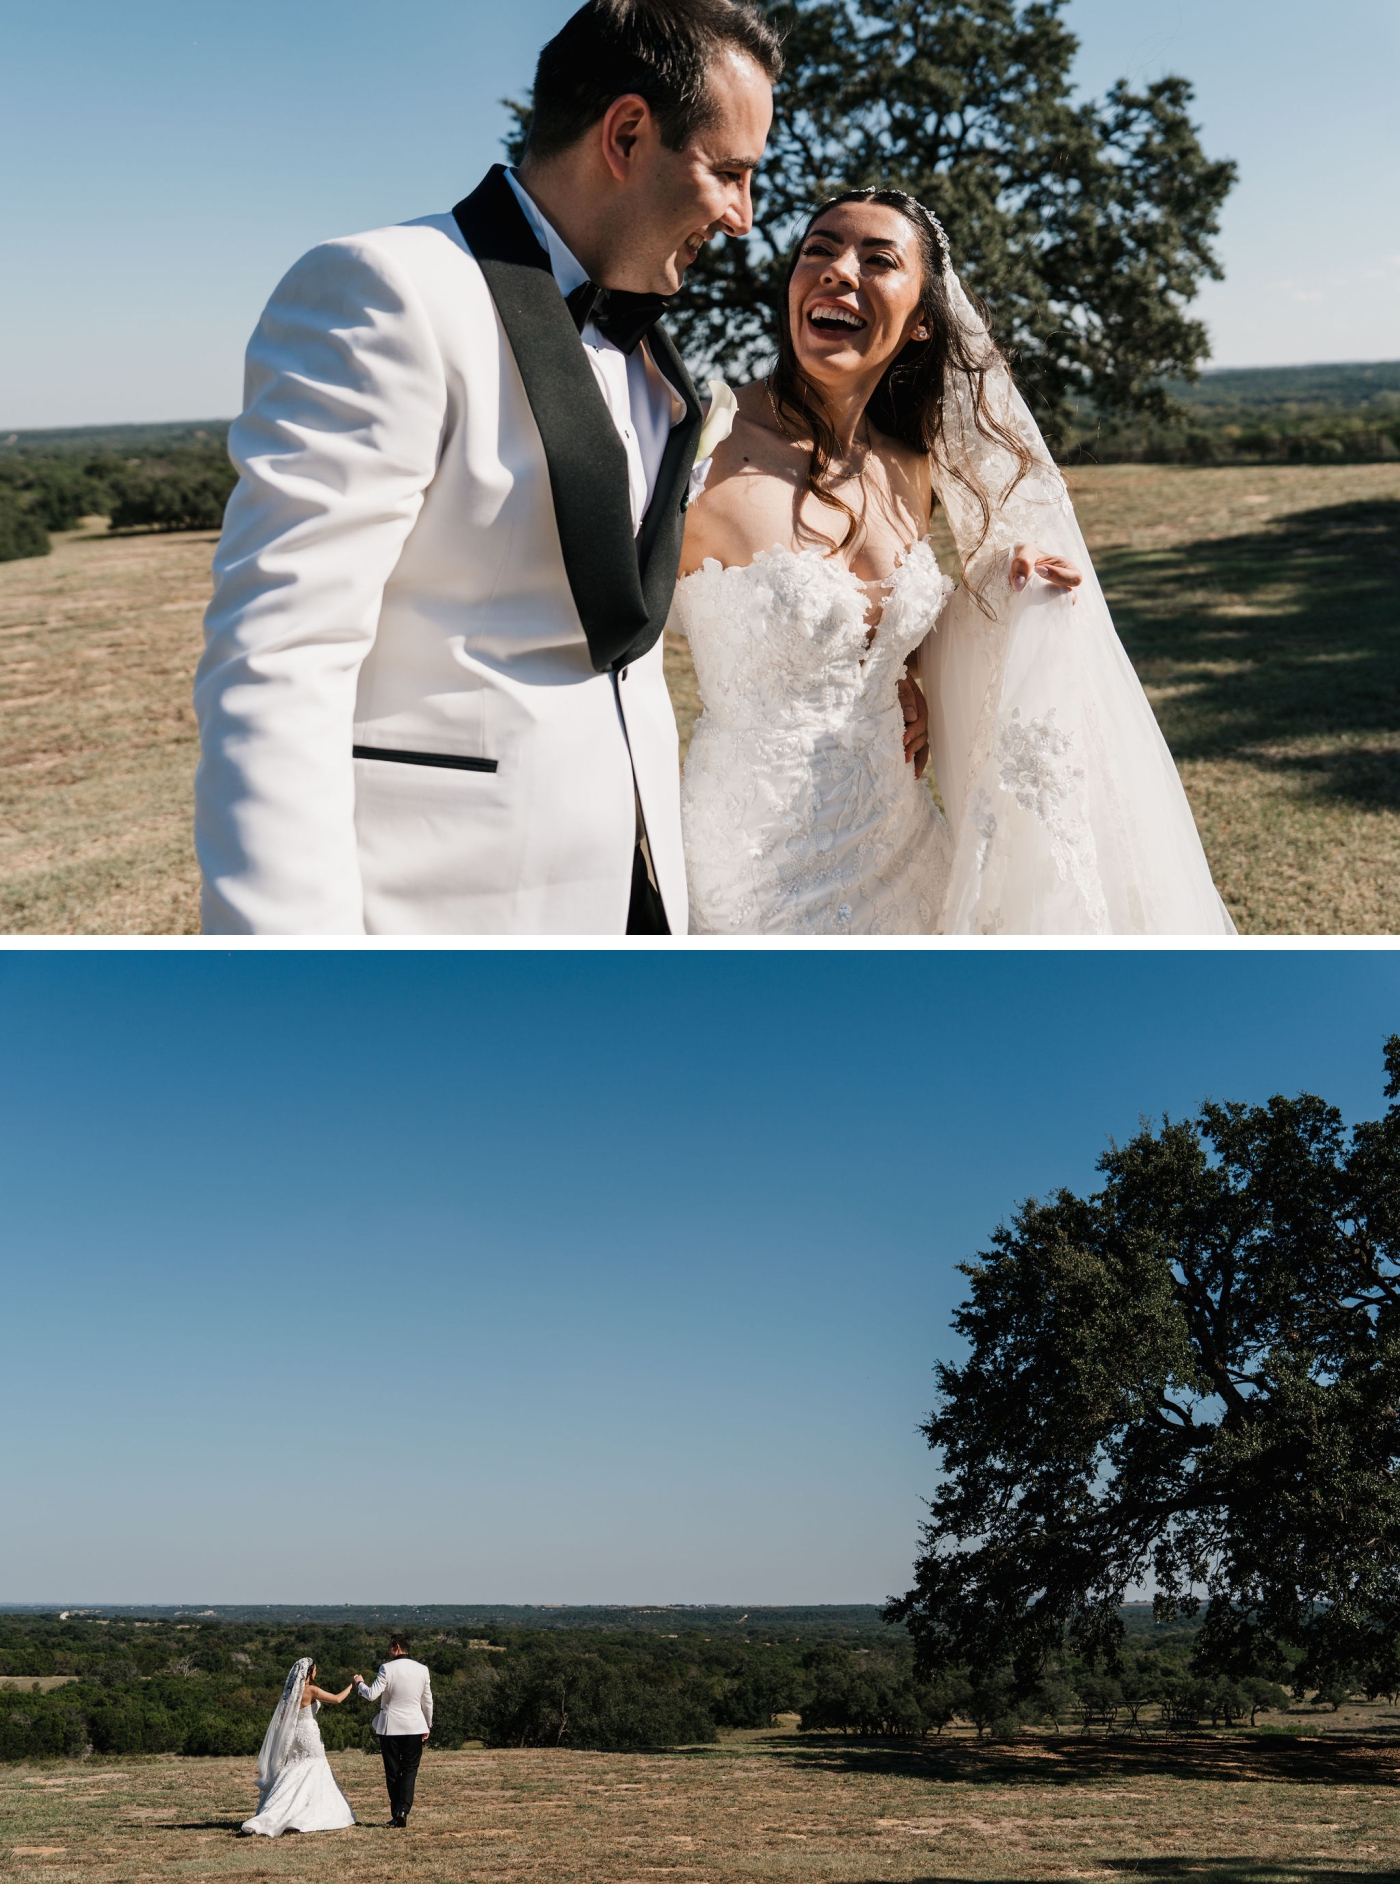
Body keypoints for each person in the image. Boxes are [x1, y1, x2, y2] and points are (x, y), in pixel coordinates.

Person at [194, 0, 780, 935]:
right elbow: (277, 661)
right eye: (731, 172)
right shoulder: (387, 291)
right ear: (626, 133)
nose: (745, 218)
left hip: (639, 897)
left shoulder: (655, 355)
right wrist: (290, 980)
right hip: (449, 917)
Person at [673, 190, 1237, 934]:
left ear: (922, 321)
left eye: (878, 261)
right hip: (751, 863)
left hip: (904, 844)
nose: (840, 271)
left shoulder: (913, 468)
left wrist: (1006, 589)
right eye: (820, 249)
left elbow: (886, 647)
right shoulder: (698, 440)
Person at [240, 1657, 356, 1837]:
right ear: (309, 1672)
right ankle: (309, 1811)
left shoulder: (291, 1694)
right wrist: (352, 1686)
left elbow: (282, 1719)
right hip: (309, 1733)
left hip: (295, 1735)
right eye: (315, 1669)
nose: (316, 1672)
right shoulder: (311, 1690)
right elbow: (337, 1699)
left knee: (295, 1767)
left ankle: (277, 1808)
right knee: (315, 1766)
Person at [353, 1632, 433, 1829]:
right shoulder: (423, 1669)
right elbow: (427, 1701)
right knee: (410, 1770)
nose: (388, 1651)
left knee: (393, 1771)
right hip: (415, 1726)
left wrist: (359, 1683)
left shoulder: (386, 1669)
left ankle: (398, 1811)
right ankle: (402, 1810)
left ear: (396, 1647)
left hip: (390, 1728)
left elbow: (371, 1695)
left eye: (389, 1647)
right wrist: (427, 1724)